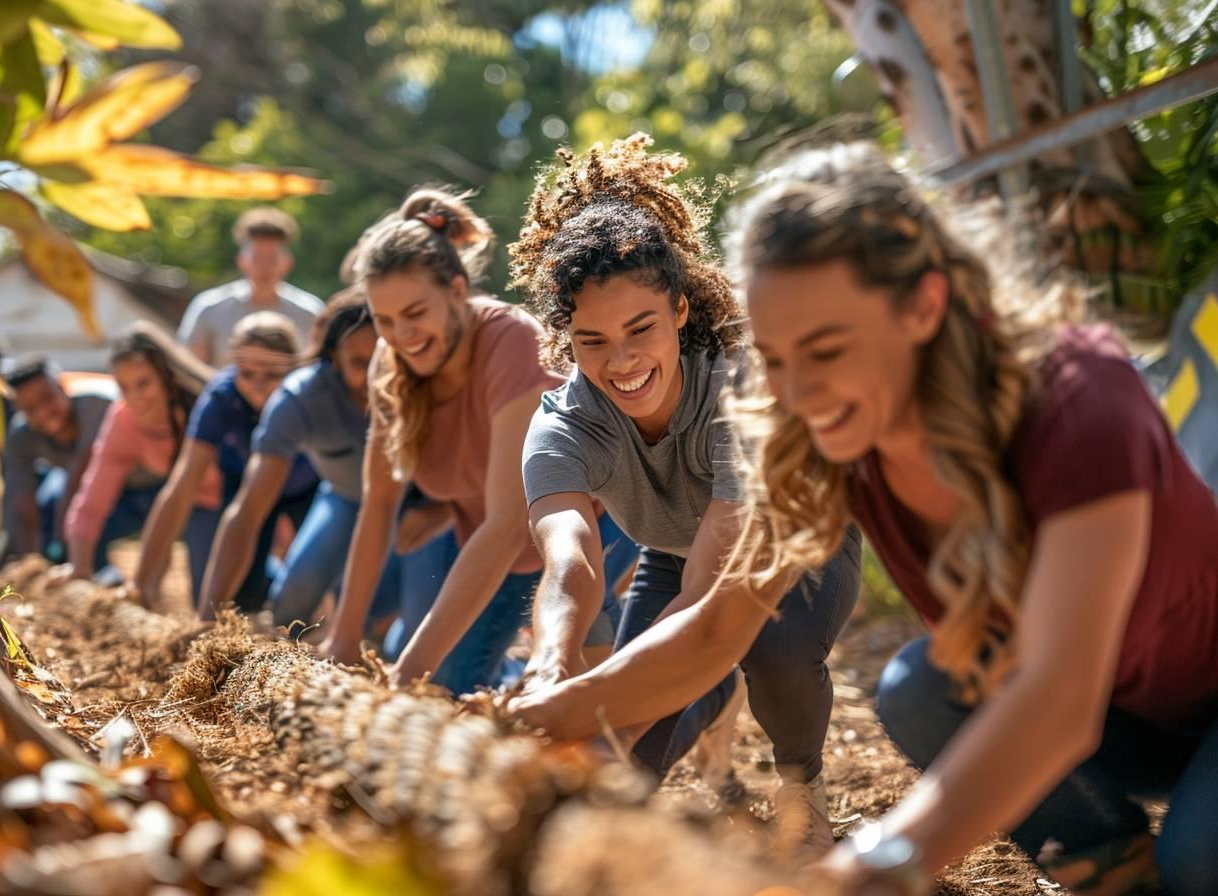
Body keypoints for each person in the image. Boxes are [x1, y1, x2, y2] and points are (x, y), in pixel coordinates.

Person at [515, 142, 1218, 895]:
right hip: (1124, 726)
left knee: (1199, 865)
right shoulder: (822, 433)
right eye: (778, 357)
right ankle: (1113, 864)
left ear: (924, 305)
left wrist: (864, 869)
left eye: (826, 348)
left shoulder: (1078, 397)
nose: (800, 390)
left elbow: (1057, 700)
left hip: (1173, 698)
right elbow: (716, 630)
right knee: (919, 689)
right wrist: (542, 718)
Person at [508, 134, 861, 850]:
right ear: (566, 339)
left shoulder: (744, 388)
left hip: (791, 545)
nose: (623, 359)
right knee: (626, 765)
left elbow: (707, 604)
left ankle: (805, 789)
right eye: (592, 340)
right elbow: (571, 563)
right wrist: (551, 674)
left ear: (677, 309)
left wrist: (598, 713)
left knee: (773, 650)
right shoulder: (562, 425)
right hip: (674, 555)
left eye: (640, 327)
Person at [316, 188, 621, 695]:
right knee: (436, 674)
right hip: (491, 542)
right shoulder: (390, 364)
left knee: (554, 692)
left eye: (416, 313)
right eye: (385, 321)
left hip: (588, 523)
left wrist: (409, 675)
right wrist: (343, 639)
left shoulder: (511, 340)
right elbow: (379, 506)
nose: (401, 335)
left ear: (457, 290)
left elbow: (508, 522)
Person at [194, 288, 453, 656]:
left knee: (413, 641)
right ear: (333, 358)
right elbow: (248, 511)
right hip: (347, 499)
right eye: (358, 362)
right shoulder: (300, 398)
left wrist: (442, 511)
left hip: (425, 509)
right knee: (290, 608)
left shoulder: (431, 389)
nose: (373, 376)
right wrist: (208, 621)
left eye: (385, 357)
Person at [132, 312, 318, 612]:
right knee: (237, 597)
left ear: (293, 369)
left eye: (271, 375)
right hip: (246, 487)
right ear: (234, 368)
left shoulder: (309, 395)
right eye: (247, 374)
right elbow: (182, 485)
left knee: (313, 578)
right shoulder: (223, 398)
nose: (258, 386)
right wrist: (141, 582)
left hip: (307, 487)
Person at [58, 324, 221, 594]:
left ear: (167, 376)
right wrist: (79, 567)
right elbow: (91, 500)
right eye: (123, 387)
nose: (134, 398)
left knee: (218, 593)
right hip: (177, 501)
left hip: (224, 502)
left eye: (143, 384)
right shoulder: (123, 420)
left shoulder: (206, 409)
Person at [0, 361, 130, 564]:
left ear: (62, 387)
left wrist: (63, 535)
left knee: (79, 514)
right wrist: (28, 561)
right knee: (48, 504)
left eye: (47, 398)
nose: (43, 412)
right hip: (74, 484)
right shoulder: (21, 435)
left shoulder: (97, 407)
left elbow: (82, 472)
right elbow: (19, 498)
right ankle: (48, 562)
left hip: (135, 486)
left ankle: (95, 569)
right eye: (30, 409)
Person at [177, 207, 324, 367]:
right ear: (242, 261)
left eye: (272, 259)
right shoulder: (209, 308)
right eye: (257, 258)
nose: (265, 267)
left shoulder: (311, 312)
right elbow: (188, 367)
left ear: (287, 262)